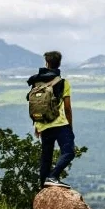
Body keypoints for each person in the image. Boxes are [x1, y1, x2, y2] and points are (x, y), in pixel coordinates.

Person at [26, 51, 75, 189]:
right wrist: (70, 126)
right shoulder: (63, 82)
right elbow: (67, 107)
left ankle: (43, 188)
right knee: (69, 151)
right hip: (59, 124)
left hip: (43, 124)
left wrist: (37, 124)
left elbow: (36, 105)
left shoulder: (36, 82)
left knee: (46, 158)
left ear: (46, 63)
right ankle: (53, 176)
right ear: (59, 63)